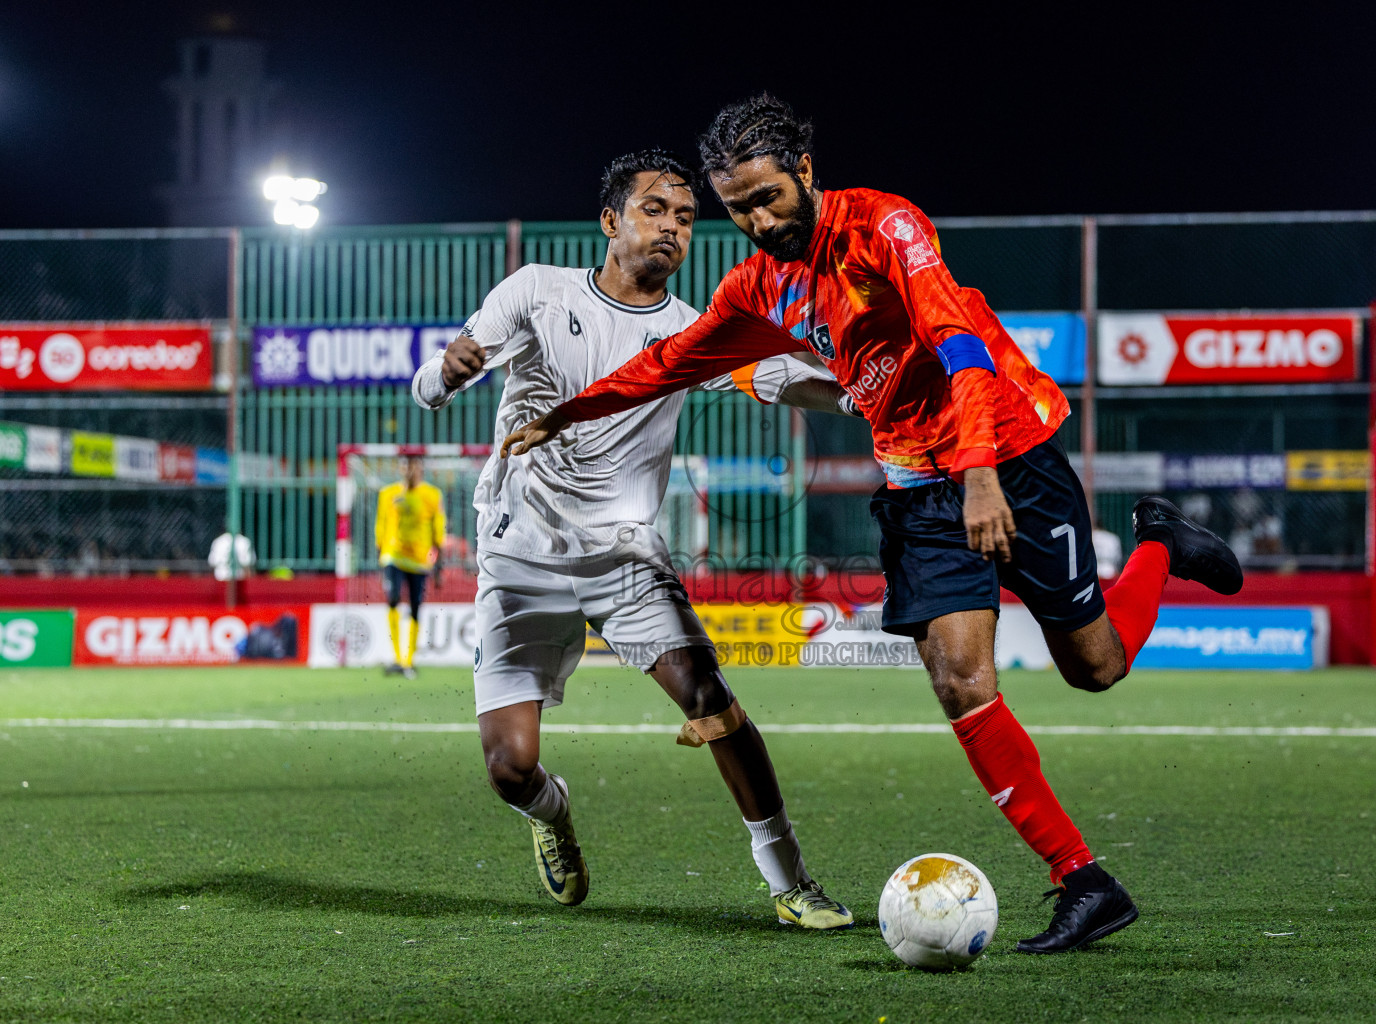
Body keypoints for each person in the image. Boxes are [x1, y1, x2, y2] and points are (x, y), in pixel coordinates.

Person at [504, 96, 1244, 953]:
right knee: (962, 680)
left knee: (1097, 666)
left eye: (768, 196)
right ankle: (1083, 880)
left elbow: (961, 345)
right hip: (916, 489)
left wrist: (977, 476)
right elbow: (672, 360)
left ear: (806, 173)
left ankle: (1159, 540)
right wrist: (569, 413)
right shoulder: (756, 284)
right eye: (737, 206)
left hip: (1007, 454)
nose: (755, 219)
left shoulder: (884, 228)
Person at [412, 149, 857, 928]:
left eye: (686, 217)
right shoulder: (537, 291)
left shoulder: (692, 331)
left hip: (626, 558)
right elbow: (428, 387)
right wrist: (445, 373)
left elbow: (788, 376)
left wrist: (867, 394)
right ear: (611, 221)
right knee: (509, 769)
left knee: (712, 699)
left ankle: (791, 882)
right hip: (521, 557)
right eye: (655, 210)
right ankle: (553, 818)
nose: (674, 228)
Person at [375, 455, 444, 679]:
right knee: (393, 599)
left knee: (415, 606)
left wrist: (438, 561)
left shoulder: (432, 495)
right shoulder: (388, 493)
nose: (409, 470)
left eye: (413, 465)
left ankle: (408, 660)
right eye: (405, 465)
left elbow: (438, 526)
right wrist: (380, 550)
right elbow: (381, 523)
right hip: (392, 556)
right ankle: (397, 658)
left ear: (421, 469)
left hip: (419, 559)